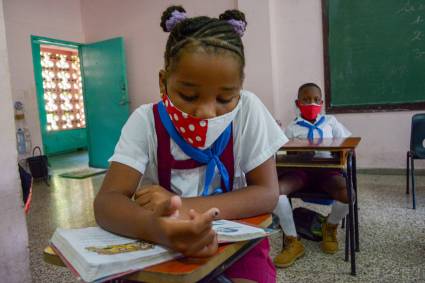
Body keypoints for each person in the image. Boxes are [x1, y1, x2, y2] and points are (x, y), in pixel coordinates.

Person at [94, 6, 287, 283]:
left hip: (237, 241)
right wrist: (159, 229)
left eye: (224, 99)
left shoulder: (249, 110)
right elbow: (107, 202)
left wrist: (183, 207)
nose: (206, 112)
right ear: (163, 83)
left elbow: (267, 193)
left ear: (240, 88)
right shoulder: (145, 121)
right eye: (188, 95)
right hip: (159, 242)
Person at [273, 82, 352, 268]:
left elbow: (348, 144)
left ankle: (330, 226)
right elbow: (283, 153)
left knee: (349, 194)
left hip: (327, 172)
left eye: (316, 100)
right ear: (298, 103)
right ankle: (292, 240)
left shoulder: (331, 122)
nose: (311, 104)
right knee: (276, 192)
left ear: (322, 102)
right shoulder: (292, 128)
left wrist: (336, 150)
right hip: (300, 173)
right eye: (306, 100)